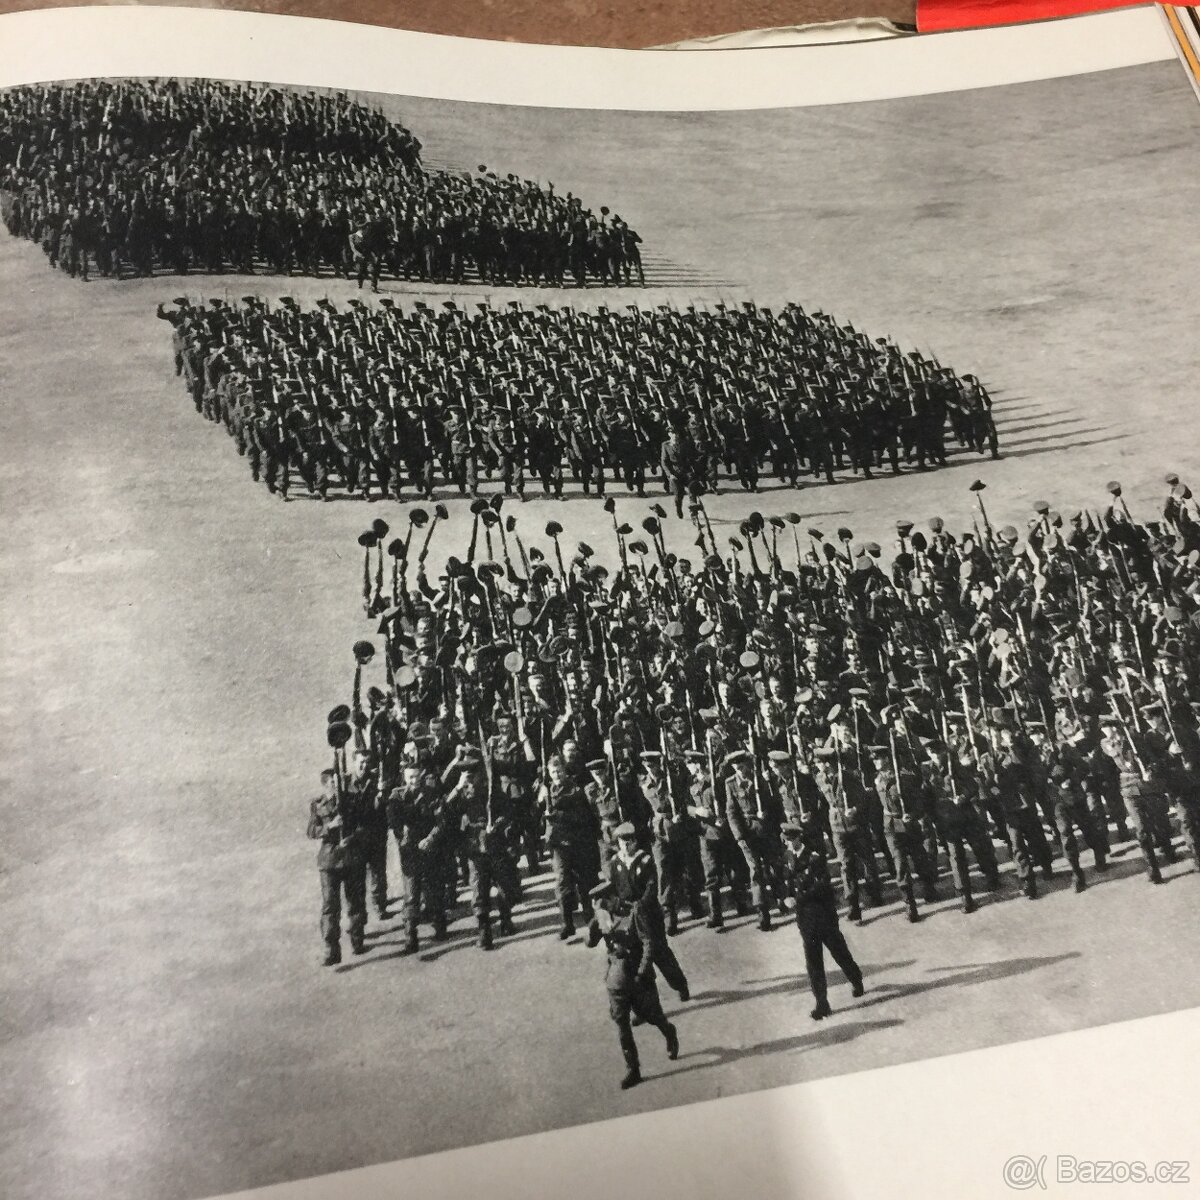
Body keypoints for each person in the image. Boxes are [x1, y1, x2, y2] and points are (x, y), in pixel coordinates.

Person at [586, 881, 680, 1090]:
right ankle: (633, 1069)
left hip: (638, 977)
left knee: (653, 1016)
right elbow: (590, 942)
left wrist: (643, 971)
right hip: (616, 981)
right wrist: (595, 920)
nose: (601, 907)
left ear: (612, 899)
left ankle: (669, 1032)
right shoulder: (602, 917)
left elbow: (648, 943)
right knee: (622, 1025)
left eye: (602, 903)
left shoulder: (634, 911)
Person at [782, 820, 865, 1020]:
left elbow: (821, 887)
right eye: (786, 839)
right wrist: (784, 899)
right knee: (814, 964)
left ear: (798, 838)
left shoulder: (814, 858)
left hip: (823, 917)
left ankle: (856, 978)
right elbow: (786, 883)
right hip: (805, 921)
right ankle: (822, 1002)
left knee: (840, 953)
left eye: (791, 839)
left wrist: (797, 899)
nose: (787, 842)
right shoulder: (787, 858)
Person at [306, 768, 368, 965]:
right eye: (333, 782)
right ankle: (331, 949)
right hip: (329, 861)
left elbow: (364, 825)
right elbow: (311, 831)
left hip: (351, 857)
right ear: (326, 784)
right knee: (330, 906)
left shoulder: (353, 800)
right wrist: (330, 826)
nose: (338, 784)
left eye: (339, 780)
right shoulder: (318, 804)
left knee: (356, 901)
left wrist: (352, 837)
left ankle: (358, 939)